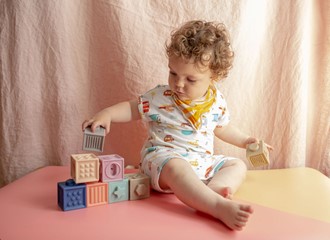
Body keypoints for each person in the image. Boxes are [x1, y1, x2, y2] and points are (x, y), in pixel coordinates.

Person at [82, 20, 272, 231]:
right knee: (177, 167)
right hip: (163, 162)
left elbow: (223, 128)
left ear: (213, 77)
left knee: (236, 165)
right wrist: (107, 114)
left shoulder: (216, 102)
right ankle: (216, 206)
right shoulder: (160, 96)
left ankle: (214, 191)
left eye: (191, 79)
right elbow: (133, 108)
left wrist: (246, 141)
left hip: (201, 163)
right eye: (173, 73)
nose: (179, 84)